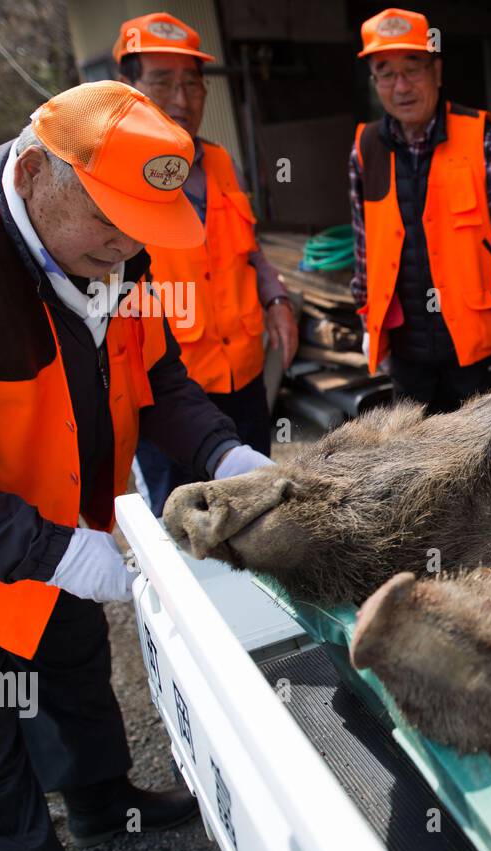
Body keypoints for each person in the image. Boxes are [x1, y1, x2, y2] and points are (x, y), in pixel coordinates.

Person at [0, 81, 274, 851]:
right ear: (31, 175)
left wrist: (224, 453)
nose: (125, 244)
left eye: (140, 225)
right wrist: (49, 552)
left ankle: (101, 807)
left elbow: (155, 380)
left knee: (77, 682)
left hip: (58, 535)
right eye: (108, 218)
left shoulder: (115, 250)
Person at [114, 12, 298, 516]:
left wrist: (277, 297)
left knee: (254, 512)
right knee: (182, 523)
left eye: (191, 83)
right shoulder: (114, 182)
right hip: (168, 395)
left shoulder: (219, 162)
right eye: (162, 82)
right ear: (129, 87)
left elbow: (249, 248)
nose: (180, 98)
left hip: (244, 378)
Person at [349, 7, 491, 413]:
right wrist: (365, 320)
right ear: (374, 82)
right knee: (415, 468)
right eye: (386, 73)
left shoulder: (483, 140)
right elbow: (365, 251)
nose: (401, 86)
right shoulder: (366, 149)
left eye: (413, 69)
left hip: (479, 354)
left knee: (486, 470)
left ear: (437, 71)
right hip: (407, 357)